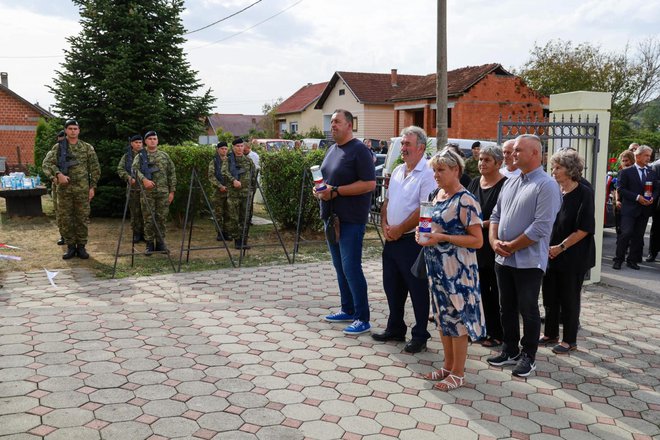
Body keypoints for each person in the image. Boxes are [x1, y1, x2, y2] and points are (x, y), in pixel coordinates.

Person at [487, 134, 561, 377]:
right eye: (513, 150)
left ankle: (528, 355)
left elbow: (541, 227)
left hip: (529, 261)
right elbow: (496, 215)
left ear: (535, 154)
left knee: (528, 309)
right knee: (505, 306)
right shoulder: (510, 181)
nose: (512, 154)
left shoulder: (546, 185)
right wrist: (494, 241)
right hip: (503, 257)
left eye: (518, 150)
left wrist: (511, 246)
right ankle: (509, 349)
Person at [417, 147, 485, 391]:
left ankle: (458, 372)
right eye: (434, 170)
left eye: (441, 170)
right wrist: (422, 234)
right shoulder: (438, 195)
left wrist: (443, 237)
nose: (436, 175)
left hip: (458, 272)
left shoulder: (465, 199)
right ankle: (447, 366)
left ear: (456, 170)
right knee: (442, 318)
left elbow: (477, 241)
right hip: (436, 268)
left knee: (457, 320)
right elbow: (431, 225)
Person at [372, 126, 436, 353]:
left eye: (407, 144)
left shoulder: (428, 173)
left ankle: (420, 334)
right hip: (392, 238)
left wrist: (401, 228)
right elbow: (386, 202)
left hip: (412, 240)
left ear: (421, 147)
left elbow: (424, 209)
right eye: (402, 144)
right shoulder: (399, 169)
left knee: (417, 289)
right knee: (392, 286)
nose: (403, 148)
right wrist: (386, 227)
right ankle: (395, 328)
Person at [315, 109, 376, 335]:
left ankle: (363, 317)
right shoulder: (332, 149)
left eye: (337, 122)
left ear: (350, 125)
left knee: (351, 267)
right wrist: (319, 190)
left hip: (351, 219)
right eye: (331, 122)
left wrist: (337, 191)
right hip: (331, 217)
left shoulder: (359, 150)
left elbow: (369, 184)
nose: (333, 125)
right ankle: (347, 309)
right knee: (340, 267)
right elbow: (326, 180)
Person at [540, 149, 595, 354]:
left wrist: (560, 247)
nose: (553, 171)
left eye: (558, 167)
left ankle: (569, 340)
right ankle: (550, 334)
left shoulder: (584, 192)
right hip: (551, 253)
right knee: (550, 296)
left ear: (570, 170)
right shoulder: (555, 190)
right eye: (553, 167)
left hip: (573, 255)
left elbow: (584, 228)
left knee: (569, 298)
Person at [42, 119, 101, 260]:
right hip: (64, 190)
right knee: (66, 218)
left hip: (82, 190)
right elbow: (47, 164)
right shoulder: (58, 148)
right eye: (70, 129)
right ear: (66, 130)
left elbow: (95, 168)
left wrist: (92, 187)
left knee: (82, 218)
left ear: (79, 131)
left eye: (75, 128)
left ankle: (81, 247)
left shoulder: (87, 148)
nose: (73, 131)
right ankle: (70, 247)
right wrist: (57, 175)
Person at [467, 145, 507, 348]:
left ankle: (497, 332)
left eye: (487, 160)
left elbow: (504, 216)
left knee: (494, 292)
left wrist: (480, 224)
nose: (482, 163)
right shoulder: (474, 183)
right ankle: (478, 329)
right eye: (481, 159)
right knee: (476, 289)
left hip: (493, 245)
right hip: (473, 244)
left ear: (498, 163)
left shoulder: (505, 186)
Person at [613, 145, 658, 270]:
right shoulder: (626, 171)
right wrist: (638, 197)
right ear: (637, 156)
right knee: (626, 233)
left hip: (644, 210)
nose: (648, 158)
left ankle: (632, 260)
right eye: (646, 155)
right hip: (629, 209)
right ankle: (618, 259)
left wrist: (652, 197)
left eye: (649, 156)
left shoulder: (651, 172)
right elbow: (621, 189)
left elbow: (656, 188)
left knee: (638, 236)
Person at [132, 131, 176, 255]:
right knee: (148, 218)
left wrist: (172, 191)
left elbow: (172, 173)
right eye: (150, 138)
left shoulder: (164, 156)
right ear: (145, 141)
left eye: (154, 138)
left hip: (163, 193)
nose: (152, 140)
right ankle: (149, 244)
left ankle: (161, 244)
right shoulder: (140, 156)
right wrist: (144, 180)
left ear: (157, 140)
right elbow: (134, 169)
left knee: (161, 218)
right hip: (147, 193)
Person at [222, 137, 256, 250]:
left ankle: (243, 240)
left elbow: (253, 175)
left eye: (241, 146)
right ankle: (237, 240)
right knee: (234, 218)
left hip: (246, 194)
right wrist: (233, 180)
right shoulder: (228, 160)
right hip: (233, 194)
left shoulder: (248, 160)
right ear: (233, 147)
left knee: (245, 218)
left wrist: (252, 189)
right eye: (237, 146)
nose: (240, 148)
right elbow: (224, 172)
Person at [117, 134, 145, 243]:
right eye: (136, 142)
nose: (138, 144)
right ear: (132, 144)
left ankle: (146, 234)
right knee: (135, 212)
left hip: (146, 189)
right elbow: (120, 169)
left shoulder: (146, 155)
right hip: (133, 188)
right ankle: (137, 233)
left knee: (146, 212)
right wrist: (128, 177)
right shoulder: (127, 156)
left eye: (140, 142)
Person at [45, 130, 66, 246]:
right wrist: (53, 177)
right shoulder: (54, 151)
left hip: (72, 186)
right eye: (59, 141)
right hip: (58, 186)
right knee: (59, 211)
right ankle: (63, 235)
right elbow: (45, 165)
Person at [208, 141, 230, 240]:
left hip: (229, 191)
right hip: (218, 192)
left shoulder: (230, 161)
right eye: (222, 149)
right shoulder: (214, 161)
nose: (224, 150)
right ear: (218, 150)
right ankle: (219, 233)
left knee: (228, 213)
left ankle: (227, 232)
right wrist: (220, 186)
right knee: (218, 213)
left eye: (226, 149)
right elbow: (211, 176)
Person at [613, 150, 635, 235]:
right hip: (621, 203)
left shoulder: (636, 172)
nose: (625, 163)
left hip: (632, 203)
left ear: (632, 160)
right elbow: (617, 188)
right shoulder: (620, 172)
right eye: (623, 161)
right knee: (620, 228)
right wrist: (617, 200)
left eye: (627, 160)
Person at [243, 140, 260, 226]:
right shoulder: (244, 156)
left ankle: (249, 219)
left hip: (253, 182)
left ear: (248, 148)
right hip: (245, 182)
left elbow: (255, 169)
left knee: (250, 201)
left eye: (244, 150)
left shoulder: (254, 156)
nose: (243, 151)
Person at [647, 153, 660, 262]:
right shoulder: (656, 165)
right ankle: (652, 253)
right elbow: (653, 184)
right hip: (658, 204)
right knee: (656, 229)